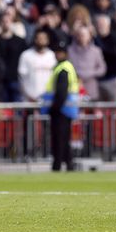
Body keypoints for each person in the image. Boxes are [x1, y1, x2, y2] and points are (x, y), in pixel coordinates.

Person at [41, 31, 80, 171]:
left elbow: (61, 92)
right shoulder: (65, 67)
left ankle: (58, 164)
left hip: (61, 109)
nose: (57, 54)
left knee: (59, 139)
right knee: (64, 139)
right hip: (67, 109)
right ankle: (68, 163)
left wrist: (53, 108)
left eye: (59, 52)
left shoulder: (63, 69)